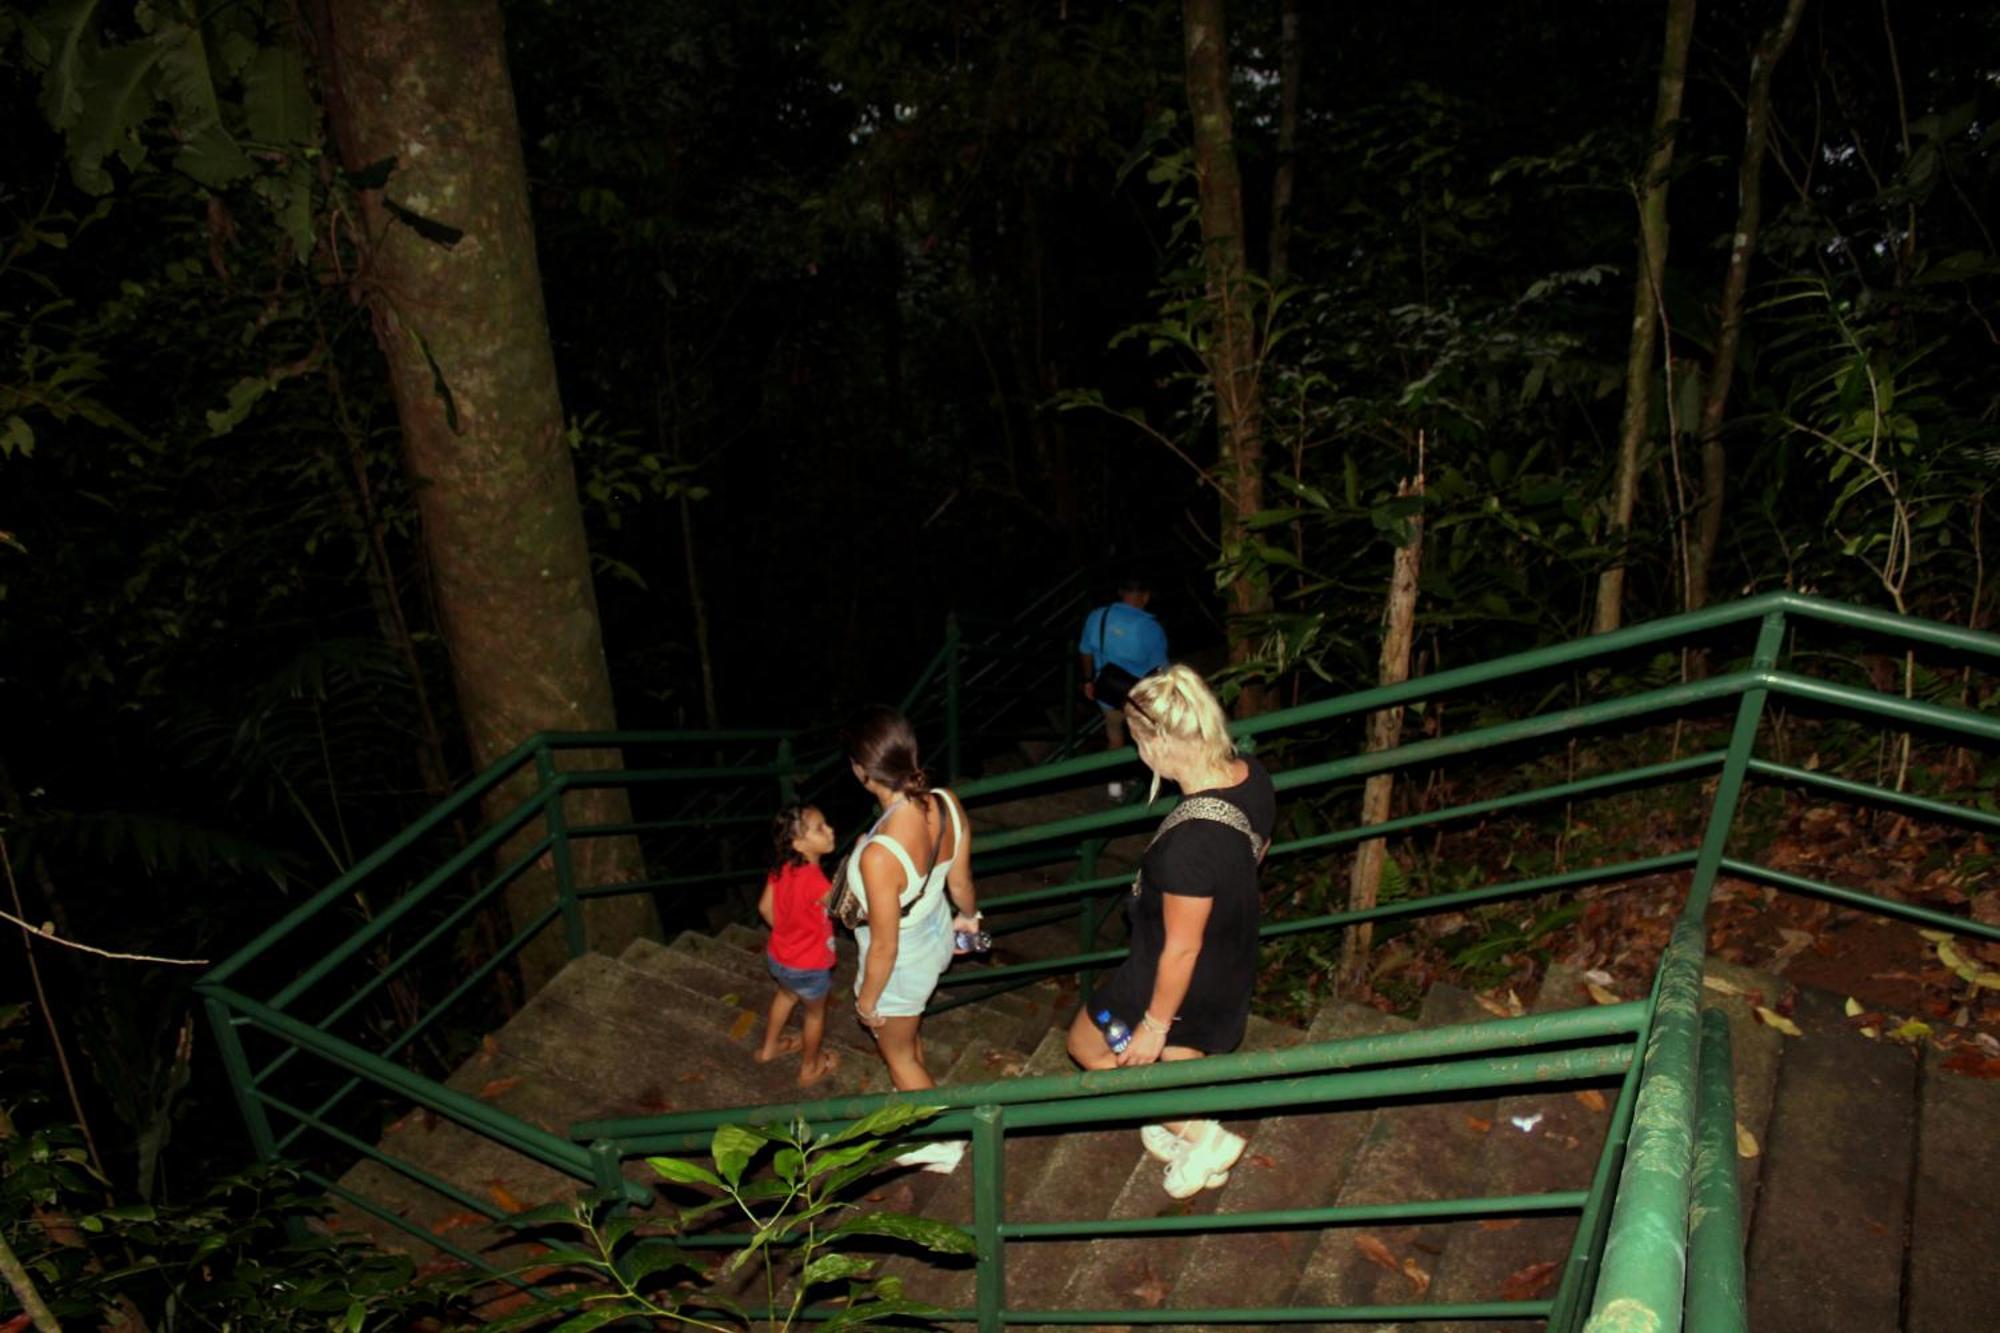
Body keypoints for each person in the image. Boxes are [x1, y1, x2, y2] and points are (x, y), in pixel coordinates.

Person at [1065, 665, 1275, 1199]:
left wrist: (1154, 1024)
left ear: (1159, 744)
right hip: (1229, 957)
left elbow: (1180, 948)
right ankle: (1181, 1124)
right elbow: (1258, 852)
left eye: (1139, 741)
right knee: (1185, 1055)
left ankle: (1203, 1137)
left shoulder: (1188, 848)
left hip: (1168, 975)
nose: (1138, 753)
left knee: (1089, 1045)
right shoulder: (1251, 774)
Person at [839, 705, 982, 1091]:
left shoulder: (880, 855)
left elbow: (885, 946)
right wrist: (969, 918)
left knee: (898, 1058)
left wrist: (867, 1003)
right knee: (907, 1036)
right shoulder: (946, 801)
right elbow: (962, 884)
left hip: (900, 965)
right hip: (937, 936)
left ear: (861, 771)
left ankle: (942, 1143)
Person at [755, 805, 842, 1087]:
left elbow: (765, 907)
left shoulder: (782, 868)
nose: (830, 831)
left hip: (779, 957)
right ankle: (810, 1068)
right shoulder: (817, 881)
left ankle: (769, 1049)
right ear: (798, 843)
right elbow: (843, 908)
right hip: (809, 965)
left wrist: (787, 932)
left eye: (826, 823)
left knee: (786, 995)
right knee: (815, 1013)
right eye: (819, 828)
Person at [1078, 576, 1170, 799]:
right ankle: (1153, 785)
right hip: (1139, 697)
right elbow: (1161, 669)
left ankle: (1115, 786)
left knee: (1115, 736)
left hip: (1107, 691)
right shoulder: (1151, 628)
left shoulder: (1098, 616)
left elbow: (1085, 651)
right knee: (1150, 738)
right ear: (1146, 597)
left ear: (1121, 592)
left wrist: (1088, 680)